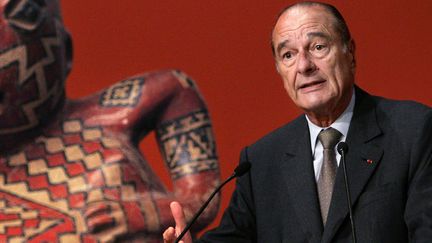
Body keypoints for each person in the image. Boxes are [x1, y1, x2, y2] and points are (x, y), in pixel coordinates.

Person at [163, 1, 432, 242]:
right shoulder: (260, 160)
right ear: (279, 70)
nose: (304, 66)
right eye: (288, 55)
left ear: (349, 52)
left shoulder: (413, 130)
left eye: (318, 47)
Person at [0, 0, 219, 242]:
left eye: (24, 14)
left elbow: (201, 200)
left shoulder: (109, 116)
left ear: (65, 49)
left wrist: (142, 212)